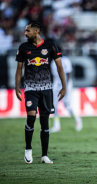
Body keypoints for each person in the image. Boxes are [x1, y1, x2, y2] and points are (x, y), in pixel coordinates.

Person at [15, 21, 66, 164]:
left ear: (36, 32)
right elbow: (19, 69)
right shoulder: (23, 48)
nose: (25, 33)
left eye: (28, 31)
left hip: (46, 89)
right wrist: (16, 87)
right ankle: (28, 149)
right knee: (31, 117)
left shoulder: (50, 46)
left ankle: (44, 155)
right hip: (31, 89)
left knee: (45, 123)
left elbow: (60, 67)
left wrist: (64, 87)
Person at [50, 50, 83, 133]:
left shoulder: (65, 60)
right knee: (54, 105)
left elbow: (68, 73)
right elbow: (53, 75)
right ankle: (56, 125)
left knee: (67, 105)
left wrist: (65, 86)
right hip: (56, 85)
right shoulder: (53, 62)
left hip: (66, 85)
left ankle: (77, 119)